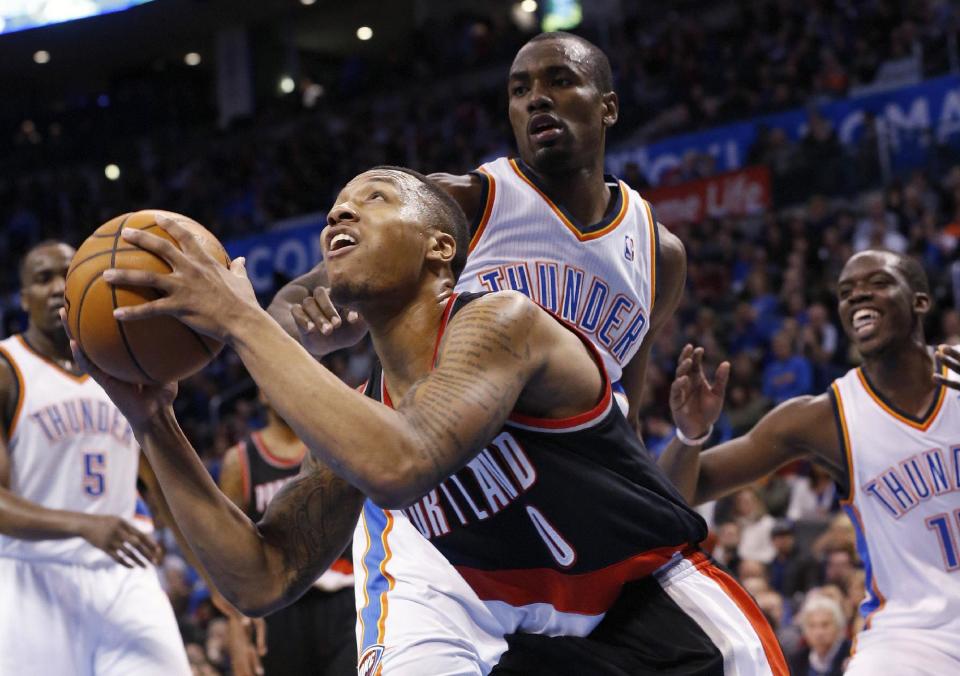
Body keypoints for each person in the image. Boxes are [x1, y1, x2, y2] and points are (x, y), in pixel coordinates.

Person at [76, 169, 787, 675]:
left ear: (439, 248)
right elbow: (260, 578)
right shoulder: (371, 413)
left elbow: (402, 463)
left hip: (672, 630)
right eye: (332, 209)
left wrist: (239, 318)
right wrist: (153, 422)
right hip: (553, 646)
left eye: (373, 198)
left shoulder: (502, 323)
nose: (339, 217)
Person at [268, 31, 685, 431]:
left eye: (560, 81)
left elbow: (623, 412)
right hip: (452, 476)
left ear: (607, 108)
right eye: (519, 91)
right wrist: (312, 337)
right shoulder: (461, 201)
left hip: (570, 484)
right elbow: (287, 306)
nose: (537, 98)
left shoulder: (660, 254)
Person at [659, 249, 960, 674]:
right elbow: (676, 491)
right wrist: (690, 435)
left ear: (920, 301)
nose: (857, 297)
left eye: (877, 283)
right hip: (911, 640)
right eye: (846, 292)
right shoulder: (824, 417)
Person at [0, 241, 190, 675]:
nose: (54, 288)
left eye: (65, 275)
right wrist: (84, 525)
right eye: (41, 278)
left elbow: (165, 486)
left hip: (124, 571)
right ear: (22, 296)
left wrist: (219, 580)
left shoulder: (127, 364)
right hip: (32, 574)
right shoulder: (7, 368)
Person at [218, 390, 355, 675]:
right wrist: (236, 625)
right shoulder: (240, 461)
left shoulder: (334, 440)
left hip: (345, 598)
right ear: (261, 392)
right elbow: (229, 556)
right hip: (279, 608)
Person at [788, 595, 851, 676]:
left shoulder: (852, 655)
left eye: (825, 625)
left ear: (838, 626)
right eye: (812, 626)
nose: (818, 632)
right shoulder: (797, 661)